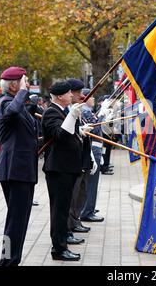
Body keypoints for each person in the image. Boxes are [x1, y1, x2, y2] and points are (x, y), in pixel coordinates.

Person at [42, 81, 91, 261]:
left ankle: (62, 244)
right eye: (69, 94)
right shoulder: (50, 112)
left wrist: (79, 130)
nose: (72, 96)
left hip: (67, 168)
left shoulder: (61, 111)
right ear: (60, 96)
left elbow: (69, 132)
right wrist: (71, 116)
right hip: (58, 169)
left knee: (63, 208)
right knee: (59, 211)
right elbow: (60, 135)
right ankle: (59, 249)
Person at [0, 67, 39, 266]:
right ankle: (7, 262)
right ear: (14, 85)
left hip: (23, 169)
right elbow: (12, 112)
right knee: (14, 222)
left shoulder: (18, 105)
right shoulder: (6, 103)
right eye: (24, 81)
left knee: (19, 222)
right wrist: (22, 92)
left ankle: (12, 261)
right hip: (15, 170)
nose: (28, 84)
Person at [66, 79, 92, 235]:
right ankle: (69, 225)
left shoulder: (76, 109)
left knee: (81, 193)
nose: (81, 96)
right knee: (72, 195)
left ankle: (75, 220)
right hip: (72, 160)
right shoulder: (68, 111)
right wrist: (79, 131)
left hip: (82, 156)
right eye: (79, 93)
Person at [81, 87, 109, 223]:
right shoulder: (85, 111)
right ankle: (87, 211)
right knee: (91, 184)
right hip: (93, 148)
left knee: (90, 183)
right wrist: (102, 115)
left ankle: (88, 208)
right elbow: (95, 128)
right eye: (91, 97)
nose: (93, 99)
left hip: (95, 147)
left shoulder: (87, 111)